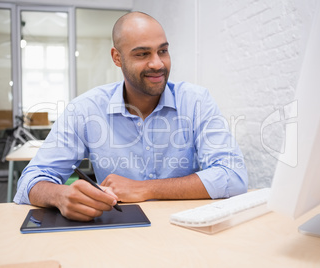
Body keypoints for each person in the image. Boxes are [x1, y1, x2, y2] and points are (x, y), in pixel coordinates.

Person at [14, 11, 248, 221]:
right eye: (142, 54)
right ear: (117, 58)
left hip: (187, 227)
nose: (157, 63)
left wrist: (146, 188)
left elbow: (233, 176)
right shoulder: (85, 110)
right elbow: (29, 181)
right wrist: (61, 195)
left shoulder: (196, 101)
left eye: (163, 51)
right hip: (120, 233)